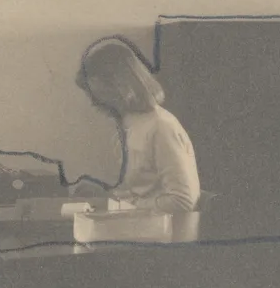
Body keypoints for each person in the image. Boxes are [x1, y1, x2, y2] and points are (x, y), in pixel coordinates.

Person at [74, 37, 201, 212]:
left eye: (98, 93)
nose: (94, 102)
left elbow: (183, 202)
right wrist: (106, 195)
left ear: (121, 87)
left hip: (160, 227)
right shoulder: (130, 125)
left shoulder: (161, 127)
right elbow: (140, 193)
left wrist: (121, 206)